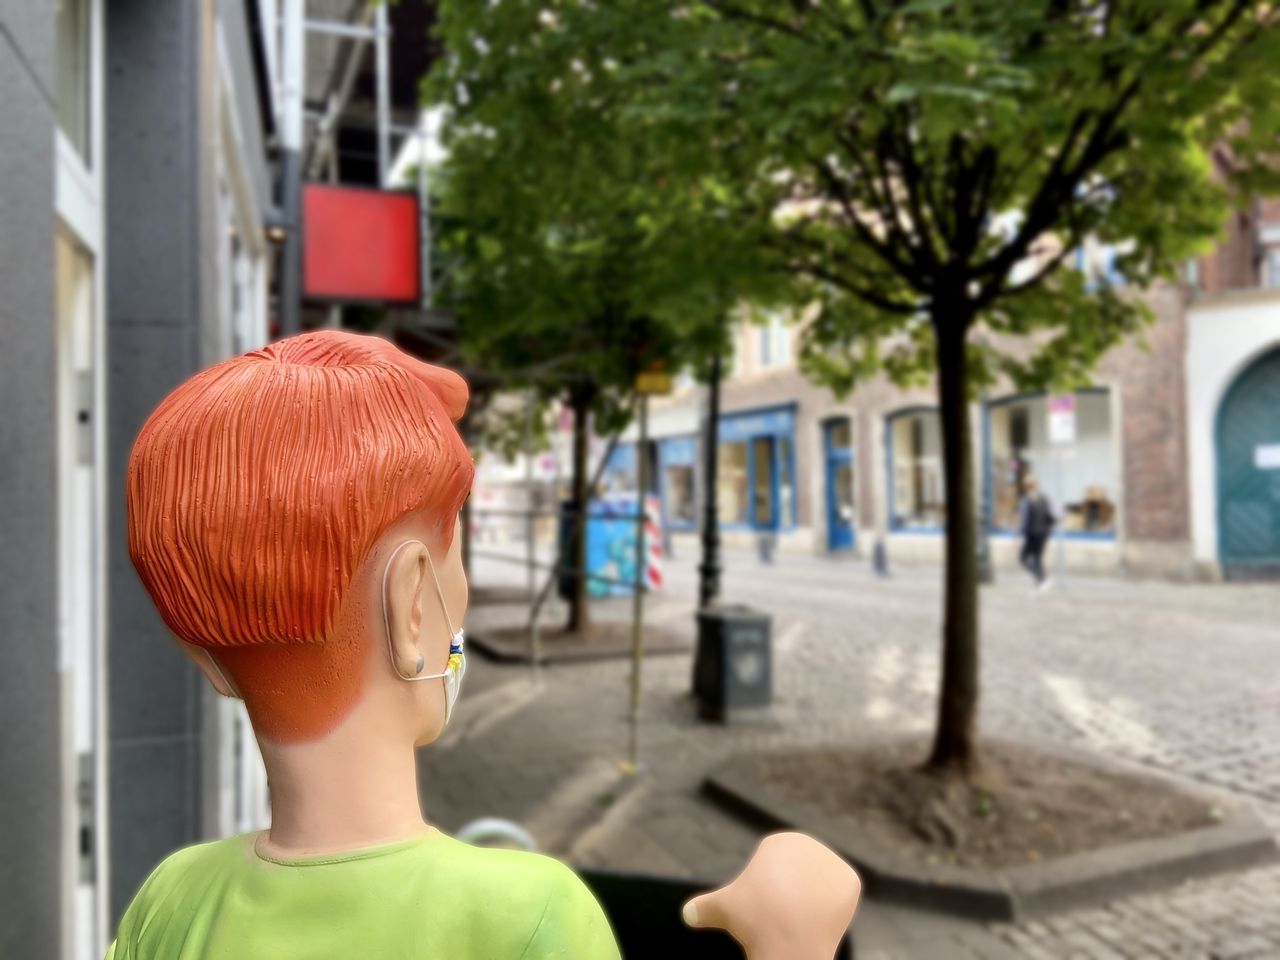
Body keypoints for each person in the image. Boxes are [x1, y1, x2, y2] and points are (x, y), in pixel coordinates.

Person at [110, 330, 859, 960]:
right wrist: (788, 946)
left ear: (199, 652)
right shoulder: (528, 916)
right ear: (411, 603)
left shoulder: (167, 905)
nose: (459, 597)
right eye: (454, 559)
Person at [1018, 474, 1056, 589]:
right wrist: (1047, 529)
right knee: (1038, 558)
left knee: (1023, 557)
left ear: (1026, 486)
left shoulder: (1026, 500)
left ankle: (1040, 579)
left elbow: (1025, 520)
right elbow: (1051, 517)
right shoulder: (1044, 498)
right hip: (1043, 534)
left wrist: (1021, 533)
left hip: (1031, 534)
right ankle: (1041, 580)